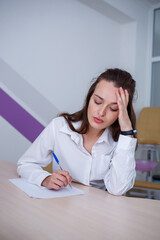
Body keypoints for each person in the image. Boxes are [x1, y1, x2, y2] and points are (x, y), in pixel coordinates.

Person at [17, 68, 137, 195]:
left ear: (123, 112)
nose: (101, 113)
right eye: (97, 102)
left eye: (113, 108)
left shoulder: (122, 141)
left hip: (99, 209)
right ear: (89, 98)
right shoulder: (60, 126)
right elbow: (25, 164)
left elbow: (118, 189)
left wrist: (127, 132)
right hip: (61, 204)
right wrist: (45, 179)